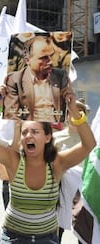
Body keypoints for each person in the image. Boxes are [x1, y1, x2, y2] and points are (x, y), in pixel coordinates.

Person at [0, 85, 96, 243]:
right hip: (13, 237)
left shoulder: (57, 163)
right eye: (25, 132)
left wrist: (74, 110)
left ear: (47, 137)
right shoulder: (14, 160)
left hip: (46, 238)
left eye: (35, 132)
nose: (28, 136)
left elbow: (89, 144)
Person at [4, 35, 71, 122]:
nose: (51, 62)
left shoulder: (60, 76)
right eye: (44, 58)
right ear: (28, 60)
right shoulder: (15, 80)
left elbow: (67, 111)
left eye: (52, 55)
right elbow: (11, 115)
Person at [53, 100, 88, 242]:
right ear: (66, 115)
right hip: (60, 192)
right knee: (56, 233)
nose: (74, 114)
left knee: (84, 232)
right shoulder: (56, 138)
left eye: (80, 111)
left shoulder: (90, 139)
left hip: (82, 194)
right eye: (71, 111)